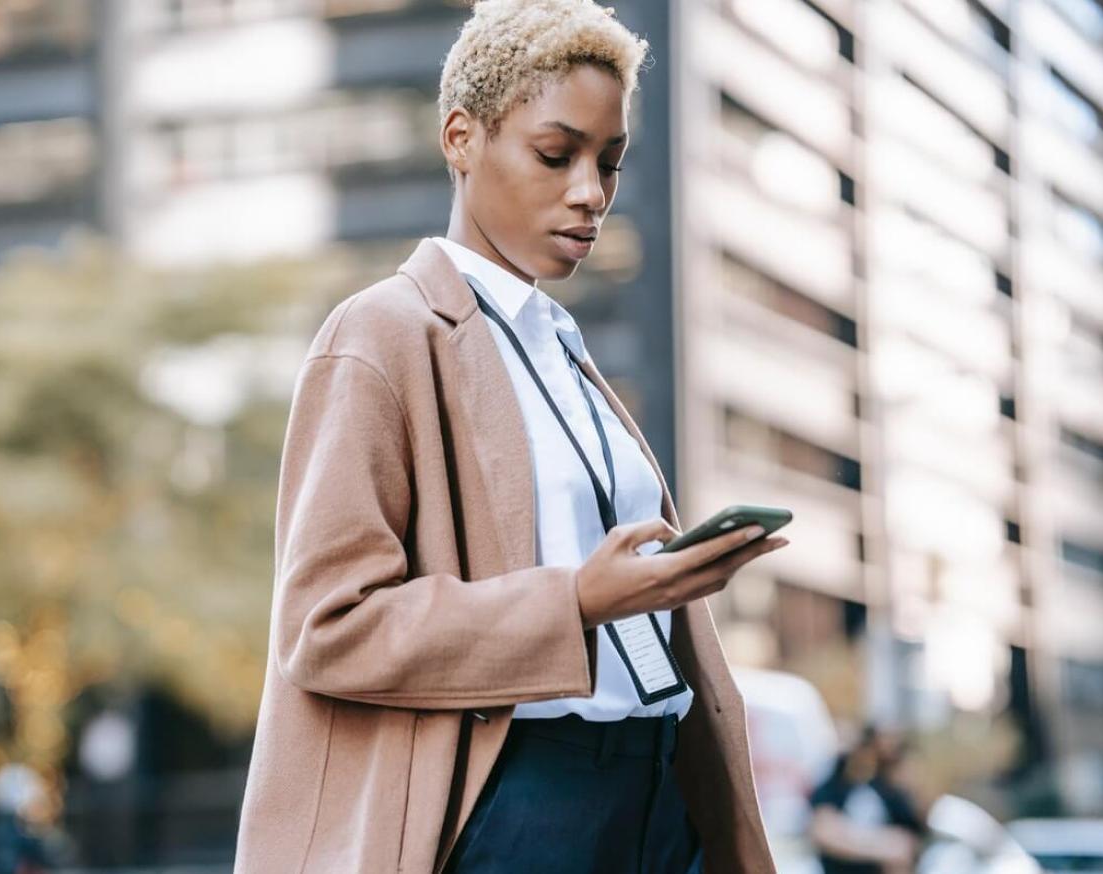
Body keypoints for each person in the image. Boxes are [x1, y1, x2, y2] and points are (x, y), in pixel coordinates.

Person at [234, 1, 788, 871]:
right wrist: (577, 602)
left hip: (657, 794)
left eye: (609, 161)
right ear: (461, 138)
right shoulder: (383, 334)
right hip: (521, 800)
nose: (591, 192)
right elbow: (327, 627)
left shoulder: (558, 348)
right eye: (556, 155)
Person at [809, 726, 926, 874]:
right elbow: (824, 832)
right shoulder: (833, 786)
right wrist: (881, 845)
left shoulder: (888, 790)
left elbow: (906, 845)